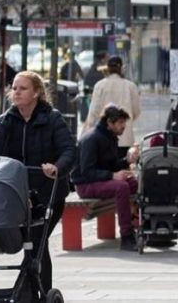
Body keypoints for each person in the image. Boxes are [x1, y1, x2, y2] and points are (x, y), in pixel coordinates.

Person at [0, 71, 75, 292]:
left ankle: (35, 291)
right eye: (14, 88)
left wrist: (57, 168)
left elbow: (69, 151)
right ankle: (35, 291)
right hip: (17, 196)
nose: (16, 92)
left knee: (36, 242)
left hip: (47, 195)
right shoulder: (5, 121)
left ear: (36, 93)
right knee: (31, 245)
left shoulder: (52, 119)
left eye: (22, 88)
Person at [70, 104, 140, 250]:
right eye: (120, 122)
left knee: (136, 183)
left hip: (100, 181)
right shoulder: (92, 138)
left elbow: (111, 165)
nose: (124, 126)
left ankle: (140, 225)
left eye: (124, 122)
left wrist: (127, 161)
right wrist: (113, 175)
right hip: (85, 185)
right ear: (109, 122)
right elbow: (86, 172)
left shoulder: (110, 137)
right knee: (121, 187)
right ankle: (126, 236)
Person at [83, 56, 141, 159]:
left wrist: (90, 128)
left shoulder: (99, 85)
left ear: (108, 68)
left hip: (103, 138)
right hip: (125, 138)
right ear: (122, 68)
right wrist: (125, 122)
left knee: (105, 170)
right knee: (123, 169)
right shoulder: (131, 86)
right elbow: (136, 111)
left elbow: (93, 112)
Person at [81, 52, 108, 121]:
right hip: (94, 90)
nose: (108, 59)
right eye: (107, 57)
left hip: (91, 89)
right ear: (103, 59)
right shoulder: (101, 67)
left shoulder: (94, 65)